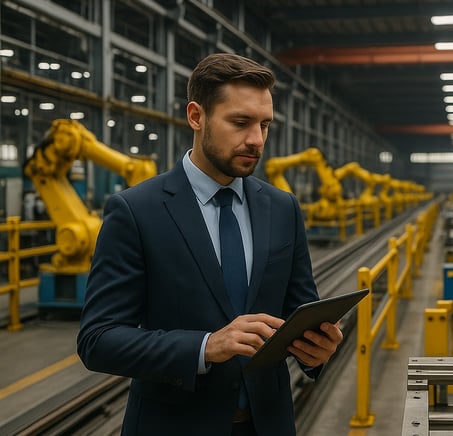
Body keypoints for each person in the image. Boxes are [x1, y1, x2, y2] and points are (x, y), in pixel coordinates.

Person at [77, 53, 343, 436]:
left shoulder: (282, 208)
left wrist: (317, 350)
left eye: (265, 125)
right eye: (240, 123)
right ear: (196, 116)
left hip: (267, 424)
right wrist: (204, 346)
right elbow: (97, 339)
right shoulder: (136, 211)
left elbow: (298, 311)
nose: (256, 140)